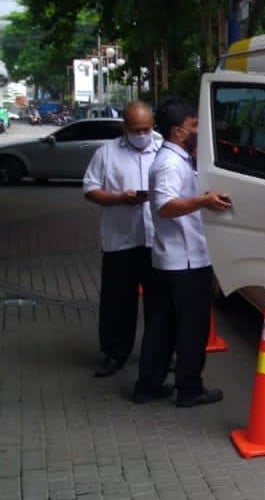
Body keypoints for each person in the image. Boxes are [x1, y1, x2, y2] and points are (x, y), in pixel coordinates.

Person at [133, 97, 231, 406]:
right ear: (178, 131)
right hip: (184, 263)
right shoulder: (169, 164)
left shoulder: (177, 160)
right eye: (194, 126)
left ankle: (148, 385)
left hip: (171, 260)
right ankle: (189, 389)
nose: (199, 131)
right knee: (191, 328)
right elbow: (164, 206)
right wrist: (203, 202)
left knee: (162, 327)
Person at [83, 101, 160, 378]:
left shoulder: (163, 149)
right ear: (124, 127)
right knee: (118, 301)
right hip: (120, 240)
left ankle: (160, 354)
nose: (142, 134)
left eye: (147, 129)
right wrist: (118, 198)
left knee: (159, 302)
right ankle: (115, 353)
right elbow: (90, 189)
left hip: (156, 241)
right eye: (136, 129)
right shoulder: (107, 153)